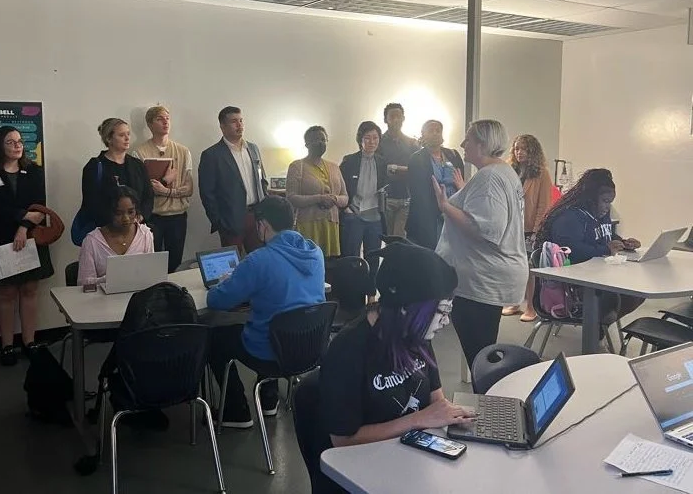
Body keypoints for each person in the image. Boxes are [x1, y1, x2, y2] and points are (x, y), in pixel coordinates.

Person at [312, 241, 473, 493]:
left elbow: (436, 401)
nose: (446, 321)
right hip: (367, 468)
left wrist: (452, 417)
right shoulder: (348, 350)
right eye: (441, 311)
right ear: (406, 308)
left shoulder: (416, 336)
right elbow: (343, 441)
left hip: (413, 460)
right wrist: (418, 420)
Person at [207, 196, 325, 427]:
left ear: (262, 225)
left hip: (272, 353)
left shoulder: (258, 260)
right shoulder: (315, 252)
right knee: (273, 320)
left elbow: (216, 300)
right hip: (310, 347)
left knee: (216, 338)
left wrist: (228, 282)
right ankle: (268, 400)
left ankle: (236, 411)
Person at [433, 119, 528, 369]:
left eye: (469, 139)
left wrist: (445, 206)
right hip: (490, 276)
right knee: (483, 351)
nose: (462, 144)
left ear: (483, 144)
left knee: (480, 358)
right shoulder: (503, 172)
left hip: (481, 280)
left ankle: (488, 393)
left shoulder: (490, 177)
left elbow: (487, 230)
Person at [0, 126, 54, 366]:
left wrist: (23, 227)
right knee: (6, 292)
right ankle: (7, 346)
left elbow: (39, 207)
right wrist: (22, 216)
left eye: (20, 141)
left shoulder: (34, 171)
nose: (17, 145)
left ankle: (29, 342)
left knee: (30, 289)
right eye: (11, 142)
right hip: (0, 237)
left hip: (31, 236)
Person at [536, 168, 643, 319]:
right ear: (590, 199)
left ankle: (602, 322)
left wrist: (623, 243)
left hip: (598, 274)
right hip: (575, 282)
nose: (608, 207)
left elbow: (606, 235)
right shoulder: (569, 218)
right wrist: (605, 249)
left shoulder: (600, 213)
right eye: (605, 201)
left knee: (636, 290)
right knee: (625, 295)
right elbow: (572, 251)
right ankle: (598, 324)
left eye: (610, 202)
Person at [199, 106, 268, 254]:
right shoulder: (212, 155)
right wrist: (219, 222)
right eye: (234, 121)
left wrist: (265, 210)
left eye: (241, 121)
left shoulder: (253, 149)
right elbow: (207, 193)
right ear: (223, 127)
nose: (239, 125)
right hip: (230, 220)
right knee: (233, 263)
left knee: (259, 260)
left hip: (257, 217)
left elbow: (262, 181)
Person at [134, 106, 193, 273]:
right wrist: (164, 182)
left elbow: (189, 189)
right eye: (159, 119)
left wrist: (166, 191)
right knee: (153, 263)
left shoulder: (183, 151)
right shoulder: (139, 152)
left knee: (175, 261)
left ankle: (173, 289)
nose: (165, 122)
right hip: (153, 216)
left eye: (167, 118)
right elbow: (139, 190)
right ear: (150, 124)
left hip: (177, 216)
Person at [502, 134, 554, 322]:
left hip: (531, 228)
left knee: (529, 269)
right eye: (517, 148)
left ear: (532, 151)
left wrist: (537, 230)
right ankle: (514, 302)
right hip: (511, 226)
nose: (519, 152)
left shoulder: (541, 173)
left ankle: (531, 307)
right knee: (513, 267)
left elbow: (544, 205)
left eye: (524, 149)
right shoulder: (510, 170)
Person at [79, 118, 153, 231]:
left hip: (136, 228)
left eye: (128, 134)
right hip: (106, 230)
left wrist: (140, 216)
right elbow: (91, 202)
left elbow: (148, 196)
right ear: (109, 138)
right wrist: (116, 222)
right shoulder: (94, 166)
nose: (127, 138)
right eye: (121, 135)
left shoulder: (137, 165)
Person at [286, 126, 348, 257]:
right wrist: (319, 198)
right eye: (315, 140)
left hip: (331, 227)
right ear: (306, 144)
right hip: (308, 226)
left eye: (323, 140)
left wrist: (335, 199)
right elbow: (291, 197)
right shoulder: (297, 166)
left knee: (330, 264)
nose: (320, 143)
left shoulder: (334, 167)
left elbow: (345, 197)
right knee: (309, 261)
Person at [77, 187, 154, 289]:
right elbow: (83, 284)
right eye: (118, 213)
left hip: (137, 295)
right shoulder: (92, 241)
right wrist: (110, 279)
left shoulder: (145, 235)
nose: (126, 218)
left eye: (131, 212)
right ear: (109, 213)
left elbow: (151, 275)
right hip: (101, 297)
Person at [405, 120, 464, 250]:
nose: (435, 133)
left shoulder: (453, 155)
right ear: (423, 134)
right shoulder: (417, 159)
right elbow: (418, 193)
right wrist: (441, 209)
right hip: (428, 215)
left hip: (453, 213)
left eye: (438, 130)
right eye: (431, 131)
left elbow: (461, 181)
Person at [340, 121, 388, 275]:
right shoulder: (349, 161)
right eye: (367, 138)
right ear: (360, 139)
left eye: (375, 138)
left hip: (375, 216)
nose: (372, 142)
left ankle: (371, 289)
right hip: (354, 214)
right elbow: (340, 186)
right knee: (351, 257)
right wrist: (346, 208)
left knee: (373, 257)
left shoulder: (382, 162)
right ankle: (352, 289)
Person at [377, 103, 420, 238]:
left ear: (403, 118)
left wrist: (394, 168)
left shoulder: (412, 143)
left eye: (399, 116)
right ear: (385, 119)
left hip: (406, 197)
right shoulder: (378, 143)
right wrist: (402, 170)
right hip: (386, 198)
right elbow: (380, 169)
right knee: (389, 238)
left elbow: (417, 170)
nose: (396, 120)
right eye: (392, 116)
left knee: (400, 239)